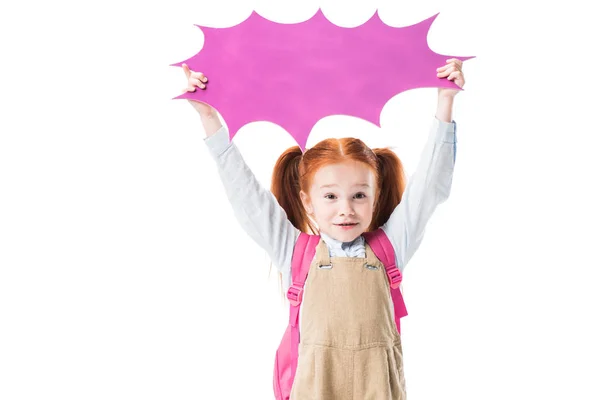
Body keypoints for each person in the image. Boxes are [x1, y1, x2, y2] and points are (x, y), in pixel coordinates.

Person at [181, 58, 465, 399]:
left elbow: (429, 186)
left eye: (359, 195)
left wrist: (445, 103)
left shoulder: (390, 247)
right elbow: (247, 198)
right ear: (307, 201)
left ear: (375, 199)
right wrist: (210, 120)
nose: (345, 209)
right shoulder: (295, 252)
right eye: (330, 196)